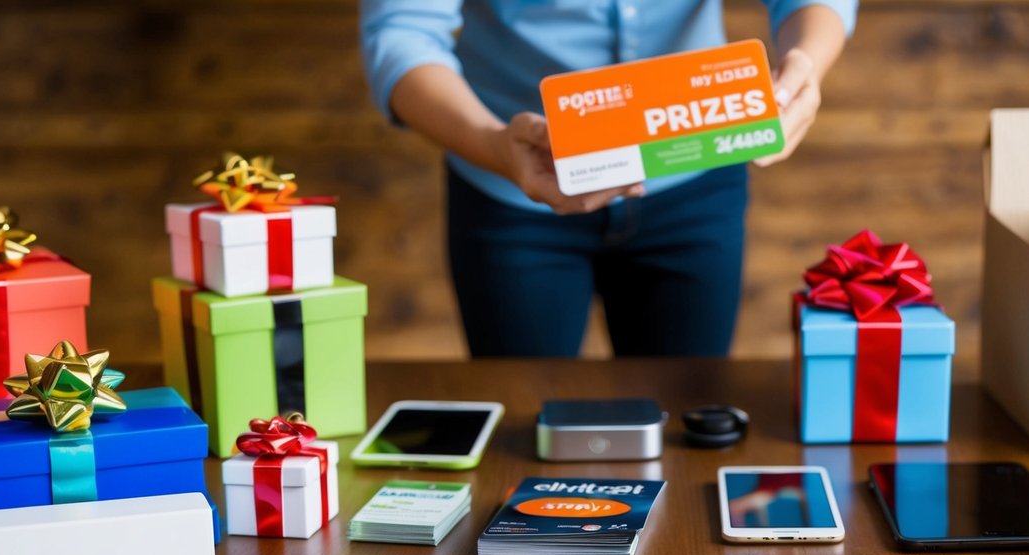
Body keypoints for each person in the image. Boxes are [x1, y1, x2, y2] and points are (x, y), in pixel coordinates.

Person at [361, 1, 857, 357]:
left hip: (694, 180)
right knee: (525, 420)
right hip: (511, 186)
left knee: (683, 416)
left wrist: (805, 68)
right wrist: (491, 143)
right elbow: (402, 30)